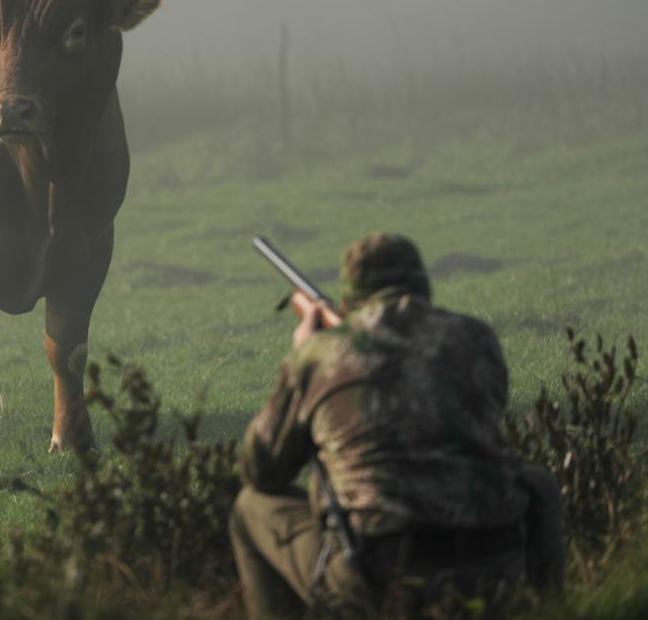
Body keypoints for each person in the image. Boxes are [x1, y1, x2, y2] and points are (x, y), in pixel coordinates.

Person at [229, 233, 564, 618]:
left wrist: (303, 353)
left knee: (249, 507)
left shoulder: (320, 354)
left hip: (376, 576)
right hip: (493, 563)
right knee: (539, 482)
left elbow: (261, 470)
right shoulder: (474, 338)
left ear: (351, 295)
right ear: (421, 283)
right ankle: (553, 608)